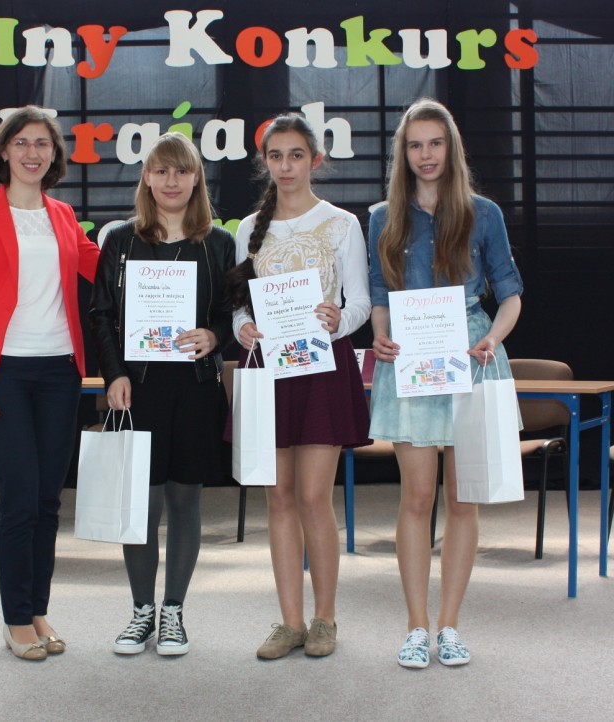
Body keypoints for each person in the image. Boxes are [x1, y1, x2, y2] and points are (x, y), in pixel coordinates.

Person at [368, 98, 523, 669]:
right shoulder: (382, 216)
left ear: (451, 147)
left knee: (463, 498)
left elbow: (510, 294)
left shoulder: (484, 213)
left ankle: (450, 625)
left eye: (435, 143)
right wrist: (379, 335)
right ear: (403, 153)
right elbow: (380, 294)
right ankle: (416, 626)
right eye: (415, 145)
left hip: (471, 357)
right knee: (416, 497)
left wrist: (493, 340)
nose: (425, 154)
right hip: (410, 358)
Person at [0, 105, 100, 661]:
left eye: (42, 143)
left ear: (54, 154)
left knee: (46, 501)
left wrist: (163, 249)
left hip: (60, 371)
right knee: (18, 501)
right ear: (4, 151)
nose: (32, 153)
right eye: (22, 143)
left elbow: (101, 266)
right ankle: (15, 618)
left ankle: (38, 609)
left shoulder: (63, 214)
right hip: (4, 373)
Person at [225, 113, 372, 660]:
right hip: (269, 369)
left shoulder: (342, 223)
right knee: (279, 497)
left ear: (315, 160)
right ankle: (290, 622)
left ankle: (324, 618)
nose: (285, 166)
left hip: (322, 366)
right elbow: (240, 304)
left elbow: (360, 301)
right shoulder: (247, 228)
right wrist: (243, 327)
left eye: (295, 155)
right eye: (275, 156)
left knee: (314, 497)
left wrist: (339, 318)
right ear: (264, 162)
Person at [89, 132, 236, 656]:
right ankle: (140, 612)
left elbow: (232, 314)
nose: (171, 181)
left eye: (181, 171)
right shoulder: (120, 240)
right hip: (138, 390)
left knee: (185, 501)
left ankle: (173, 611)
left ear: (196, 179)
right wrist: (114, 375)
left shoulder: (219, 243)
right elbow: (101, 314)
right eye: (161, 170)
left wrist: (215, 336)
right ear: (147, 178)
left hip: (195, 389)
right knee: (141, 506)